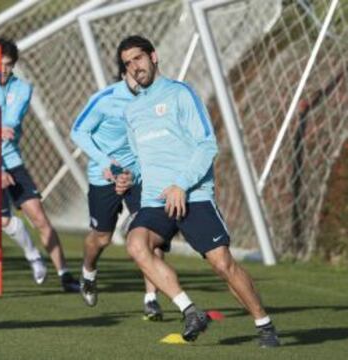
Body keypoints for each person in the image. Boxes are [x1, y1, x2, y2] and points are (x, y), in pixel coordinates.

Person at [117, 35, 280, 346]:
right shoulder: (132, 111)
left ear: (153, 56)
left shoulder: (180, 94)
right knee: (137, 245)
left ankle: (264, 324)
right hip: (155, 199)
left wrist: (182, 184)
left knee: (222, 264)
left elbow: (207, 145)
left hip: (193, 195)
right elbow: (140, 159)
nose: (134, 66)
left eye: (138, 58)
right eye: (128, 63)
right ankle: (191, 311)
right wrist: (128, 176)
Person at [70, 70, 166, 320]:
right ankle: (88, 272)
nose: (140, 79)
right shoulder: (104, 99)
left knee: (151, 234)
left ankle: (151, 299)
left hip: (139, 176)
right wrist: (106, 162)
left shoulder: (155, 98)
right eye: (133, 74)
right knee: (101, 238)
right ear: (123, 74)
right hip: (104, 177)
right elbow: (78, 131)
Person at [0, 37, 79, 292]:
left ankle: (65, 275)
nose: (3, 70)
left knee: (38, 216)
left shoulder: (22, 88)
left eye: (8, 64)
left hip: (12, 161)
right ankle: (32, 255)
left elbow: (12, 117)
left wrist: (6, 126)